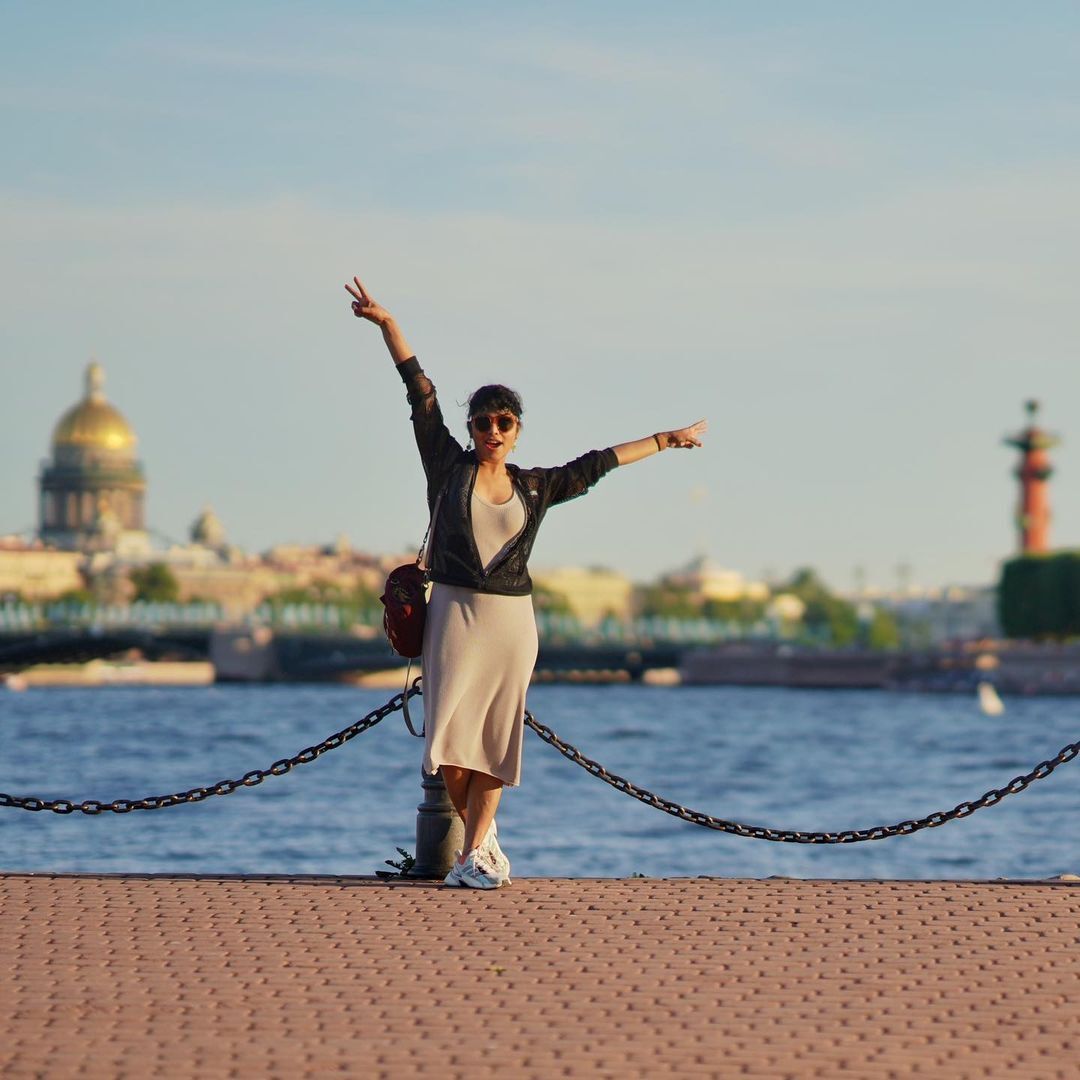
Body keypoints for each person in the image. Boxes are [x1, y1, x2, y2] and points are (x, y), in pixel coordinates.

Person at [346, 275, 707, 889]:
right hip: (456, 617)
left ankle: (474, 857)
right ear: (471, 426)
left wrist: (665, 440)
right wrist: (389, 327)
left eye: (504, 422)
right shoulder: (447, 466)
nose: (493, 430)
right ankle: (483, 845)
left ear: (517, 430)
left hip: (512, 622)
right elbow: (420, 394)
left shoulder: (535, 488)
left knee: (492, 743)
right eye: (484, 420)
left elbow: (595, 465)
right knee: (450, 745)